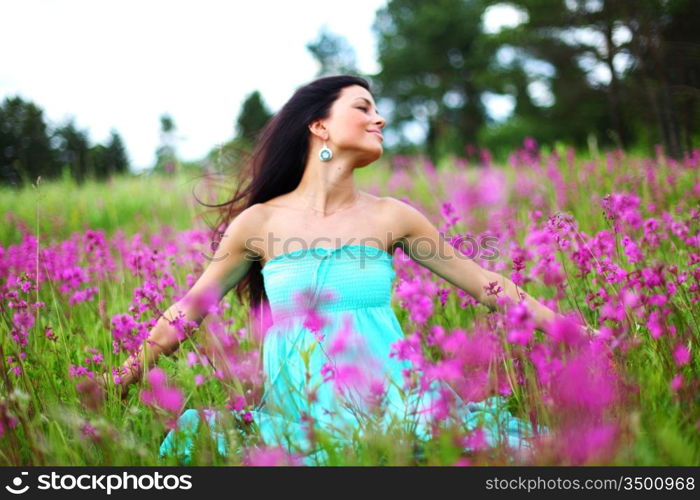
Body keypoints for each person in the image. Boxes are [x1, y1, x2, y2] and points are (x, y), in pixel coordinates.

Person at [103, 75, 582, 465]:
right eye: (363, 107)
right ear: (319, 126)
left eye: (376, 109)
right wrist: (124, 376)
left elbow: (489, 284)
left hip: (395, 401)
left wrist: (573, 333)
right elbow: (190, 309)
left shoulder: (392, 216)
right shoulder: (260, 222)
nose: (380, 117)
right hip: (302, 415)